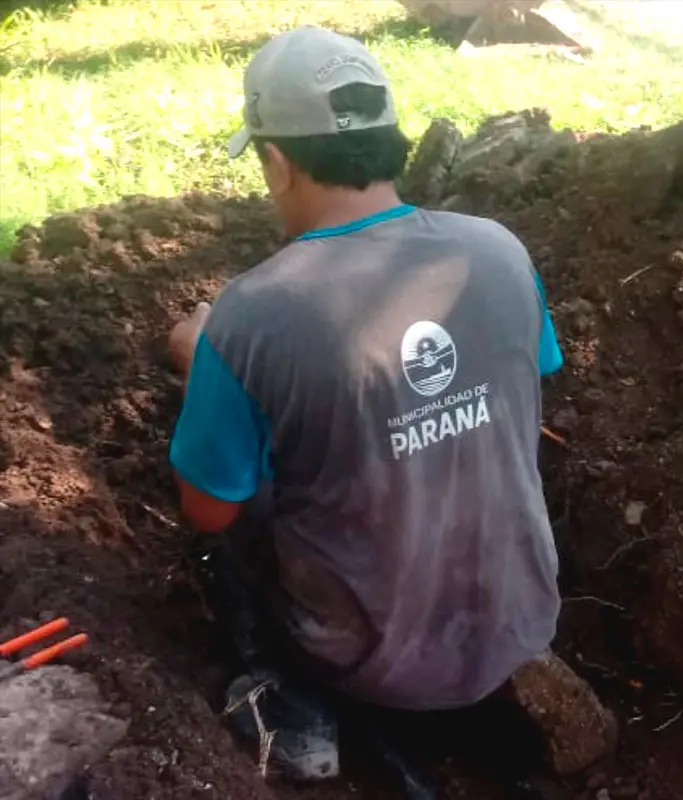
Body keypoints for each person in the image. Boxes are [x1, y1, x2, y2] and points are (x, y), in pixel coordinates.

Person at [164, 25, 566, 793]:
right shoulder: (498, 253)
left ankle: (290, 701)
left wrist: (207, 366)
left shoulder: (252, 317)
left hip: (369, 663)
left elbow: (209, 510)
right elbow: (523, 376)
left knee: (226, 490)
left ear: (277, 162)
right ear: (390, 141)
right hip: (520, 624)